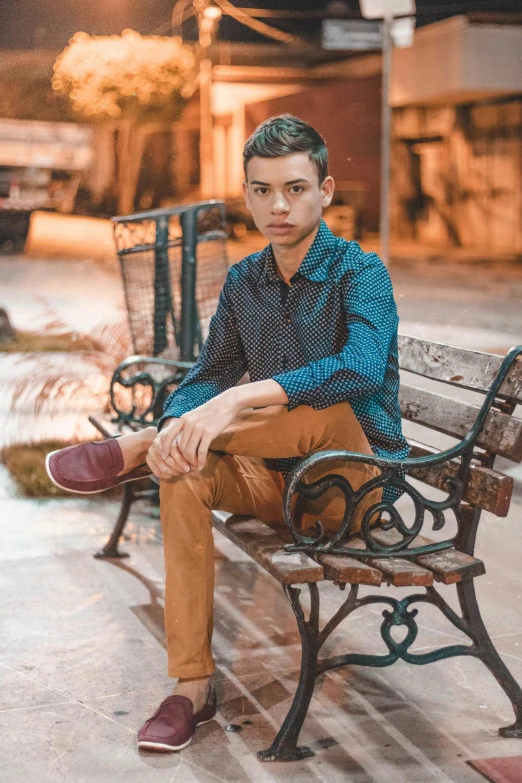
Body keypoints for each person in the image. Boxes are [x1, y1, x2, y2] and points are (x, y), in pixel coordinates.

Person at [46, 114, 409, 753]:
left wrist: (236, 401)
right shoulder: (245, 281)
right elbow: (207, 374)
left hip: (355, 487)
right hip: (278, 483)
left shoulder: (361, 272)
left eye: (295, 188)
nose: (278, 205)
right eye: (262, 189)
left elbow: (357, 367)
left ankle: (131, 452)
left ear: (325, 191)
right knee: (181, 472)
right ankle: (192, 688)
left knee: (324, 409)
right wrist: (174, 425)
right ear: (247, 194)